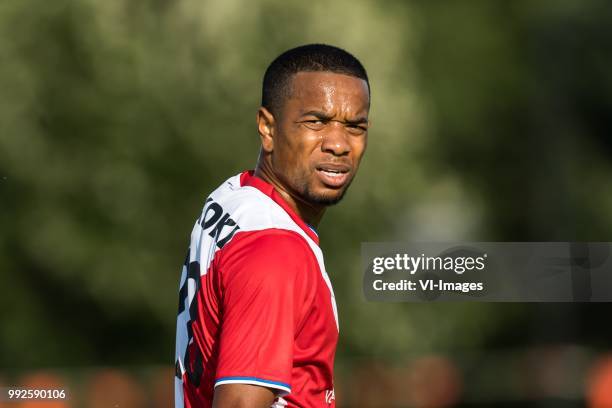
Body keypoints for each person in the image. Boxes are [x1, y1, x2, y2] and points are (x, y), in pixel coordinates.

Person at [175, 43, 370, 408]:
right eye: (316, 122)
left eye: (355, 127)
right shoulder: (275, 251)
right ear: (267, 127)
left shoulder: (233, 197)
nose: (339, 144)